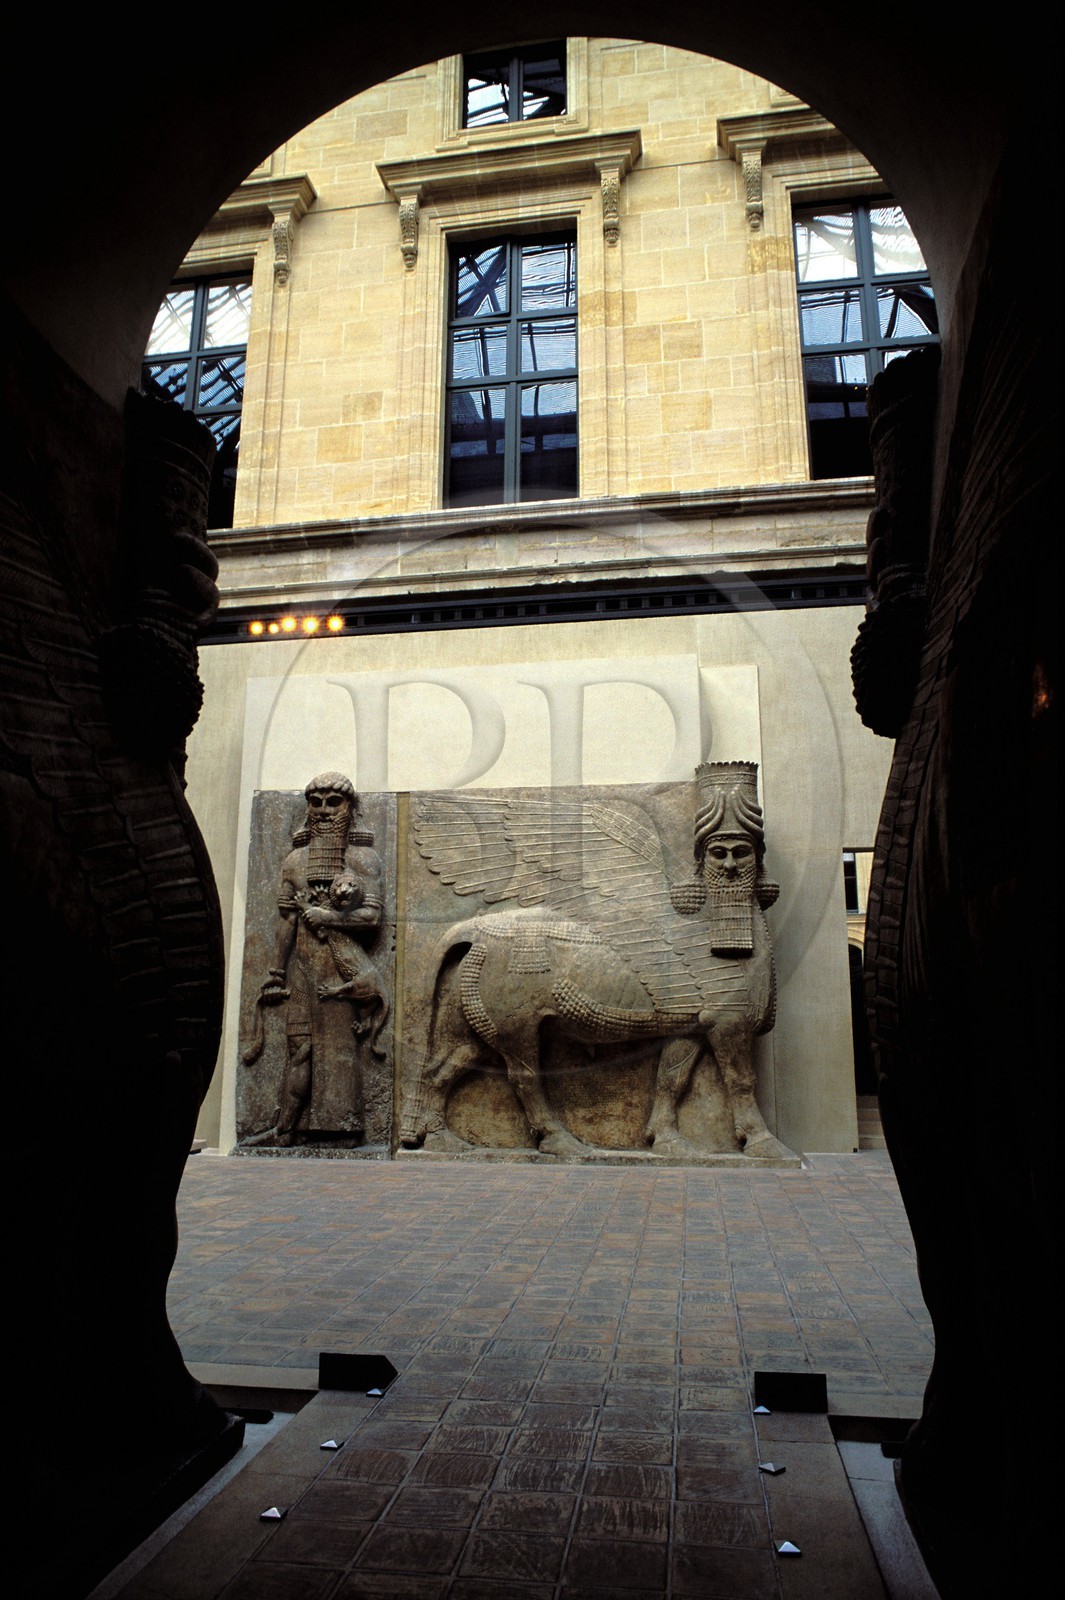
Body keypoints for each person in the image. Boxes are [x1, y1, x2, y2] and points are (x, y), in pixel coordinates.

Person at [256, 772, 384, 1144]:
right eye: (316, 802)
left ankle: (344, 1127)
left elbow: (372, 917)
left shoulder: (363, 858)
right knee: (300, 1046)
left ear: (350, 808)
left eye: (334, 802)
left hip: (341, 964)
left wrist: (327, 916)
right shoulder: (295, 861)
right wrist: (277, 971)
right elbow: (288, 921)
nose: (325, 810)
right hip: (302, 967)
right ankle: (285, 1130)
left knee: (339, 1047)